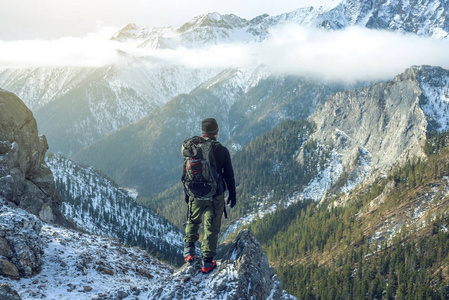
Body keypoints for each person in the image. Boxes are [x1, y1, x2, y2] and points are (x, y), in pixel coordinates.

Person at [183, 118, 236, 274]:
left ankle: (189, 252)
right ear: (216, 133)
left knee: (193, 220)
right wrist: (232, 194)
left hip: (194, 194)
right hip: (215, 197)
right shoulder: (222, 150)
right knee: (211, 228)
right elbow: (229, 175)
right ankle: (207, 262)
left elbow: (185, 173)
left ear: (202, 132)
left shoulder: (192, 148)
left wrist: (187, 194)